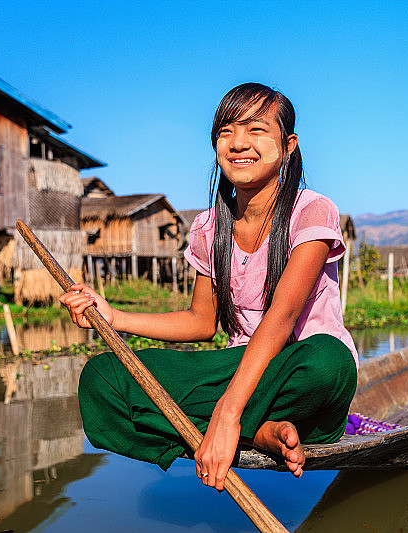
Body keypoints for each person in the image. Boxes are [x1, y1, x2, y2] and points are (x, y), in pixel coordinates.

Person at [60, 83, 358, 492]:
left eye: (256, 131)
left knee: (329, 361)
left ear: (288, 146)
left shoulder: (310, 211)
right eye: (225, 131)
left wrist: (228, 413)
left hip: (298, 371)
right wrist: (112, 317)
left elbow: (283, 316)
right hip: (234, 370)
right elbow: (201, 323)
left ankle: (238, 423)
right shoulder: (208, 228)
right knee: (102, 378)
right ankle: (261, 431)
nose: (238, 143)